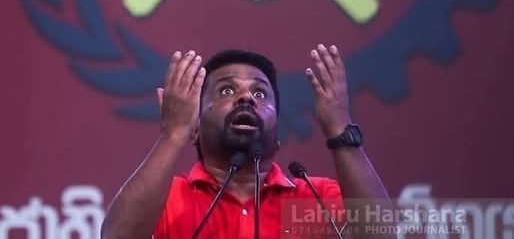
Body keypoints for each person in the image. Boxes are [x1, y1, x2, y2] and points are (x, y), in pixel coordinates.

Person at [101, 44, 394, 238]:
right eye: (227, 91)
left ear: (277, 137)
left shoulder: (316, 197)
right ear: (195, 128)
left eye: (260, 93)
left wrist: (340, 127)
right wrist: (172, 134)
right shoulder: (166, 197)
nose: (246, 98)